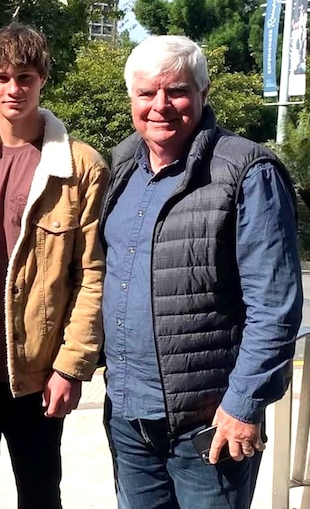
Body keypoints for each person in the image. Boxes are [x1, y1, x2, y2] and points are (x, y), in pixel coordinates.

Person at [101, 35, 302, 508]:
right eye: (147, 93)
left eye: (177, 91)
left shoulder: (247, 171)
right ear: (132, 98)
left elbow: (274, 306)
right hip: (131, 419)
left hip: (211, 426)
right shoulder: (122, 166)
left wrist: (244, 405)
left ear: (204, 93)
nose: (161, 106)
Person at [0, 23, 108, 509]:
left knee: (40, 495)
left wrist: (72, 367)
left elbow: (93, 275)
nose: (12, 89)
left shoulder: (81, 168)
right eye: (0, 77)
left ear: (42, 81)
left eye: (25, 77)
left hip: (36, 373)